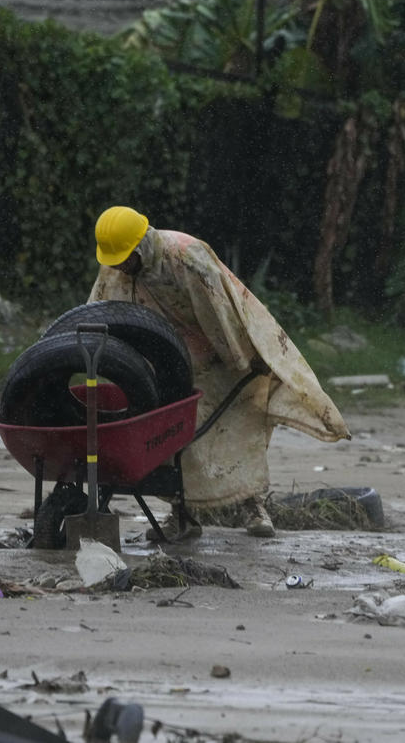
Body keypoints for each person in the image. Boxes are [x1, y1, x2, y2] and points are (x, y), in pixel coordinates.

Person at [89, 206, 351, 540]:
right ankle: (181, 516)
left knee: (237, 430)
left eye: (124, 259)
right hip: (167, 358)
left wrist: (240, 359)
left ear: (141, 247)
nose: (119, 267)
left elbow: (221, 312)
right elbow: (100, 305)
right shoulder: (117, 264)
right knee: (169, 438)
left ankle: (253, 507)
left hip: (221, 353)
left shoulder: (186, 258)